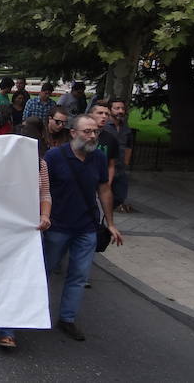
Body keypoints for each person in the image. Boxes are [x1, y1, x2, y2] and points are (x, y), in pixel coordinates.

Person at [43, 114, 123, 341]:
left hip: (86, 227)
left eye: (95, 132)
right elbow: (40, 190)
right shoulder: (54, 157)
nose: (92, 135)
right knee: (44, 272)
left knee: (78, 276)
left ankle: (67, 319)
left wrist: (110, 224)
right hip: (57, 226)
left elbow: (104, 189)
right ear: (73, 133)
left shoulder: (98, 157)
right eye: (86, 131)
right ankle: (34, 313)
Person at [0, 117, 53, 349]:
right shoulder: (0, 164)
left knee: (15, 278)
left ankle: (7, 329)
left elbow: (45, 195)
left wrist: (45, 216)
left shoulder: (41, 165)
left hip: (27, 230)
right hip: (2, 229)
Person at [103, 98, 134, 211]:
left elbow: (129, 145)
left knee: (120, 196)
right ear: (110, 110)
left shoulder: (126, 127)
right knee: (103, 195)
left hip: (120, 168)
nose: (120, 111)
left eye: (122, 108)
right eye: (117, 108)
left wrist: (126, 161)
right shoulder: (104, 126)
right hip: (106, 167)